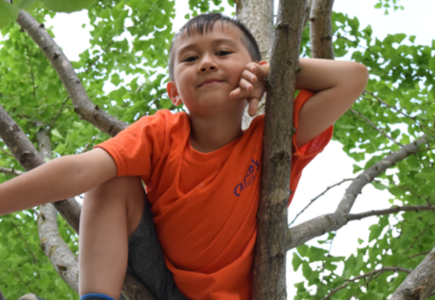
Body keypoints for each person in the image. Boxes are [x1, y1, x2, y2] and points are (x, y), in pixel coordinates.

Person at [0, 13, 368, 300]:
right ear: (174, 91)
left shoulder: (274, 138)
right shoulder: (160, 132)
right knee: (112, 175)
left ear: (251, 70)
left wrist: (271, 72)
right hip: (162, 279)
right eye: (191, 58)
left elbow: (352, 78)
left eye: (223, 52)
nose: (207, 62)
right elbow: (80, 170)